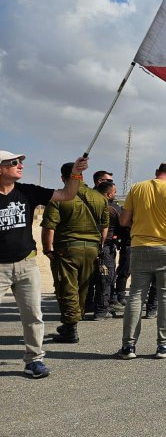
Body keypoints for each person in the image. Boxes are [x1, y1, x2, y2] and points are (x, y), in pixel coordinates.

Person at [0, 151, 88, 378]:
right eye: (13, 163)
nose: (20, 165)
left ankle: (34, 360)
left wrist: (76, 174)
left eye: (20, 162)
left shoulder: (26, 191)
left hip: (26, 265)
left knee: (33, 316)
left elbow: (67, 194)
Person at [116, 161, 166, 360]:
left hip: (140, 247)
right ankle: (163, 345)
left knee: (135, 296)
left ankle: (128, 346)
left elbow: (123, 221)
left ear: (157, 172)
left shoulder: (138, 188)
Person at [41, 162, 109, 342]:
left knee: (66, 288)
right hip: (92, 249)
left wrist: (47, 249)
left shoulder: (59, 197)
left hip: (67, 248)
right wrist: (99, 247)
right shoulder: (99, 197)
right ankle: (71, 322)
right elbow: (104, 227)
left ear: (63, 178)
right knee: (83, 287)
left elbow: (49, 227)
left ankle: (70, 328)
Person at [96, 181, 124, 315]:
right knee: (106, 277)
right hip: (105, 246)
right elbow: (123, 226)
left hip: (91, 245)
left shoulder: (89, 204)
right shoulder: (113, 209)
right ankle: (102, 309)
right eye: (114, 192)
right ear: (108, 194)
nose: (115, 194)